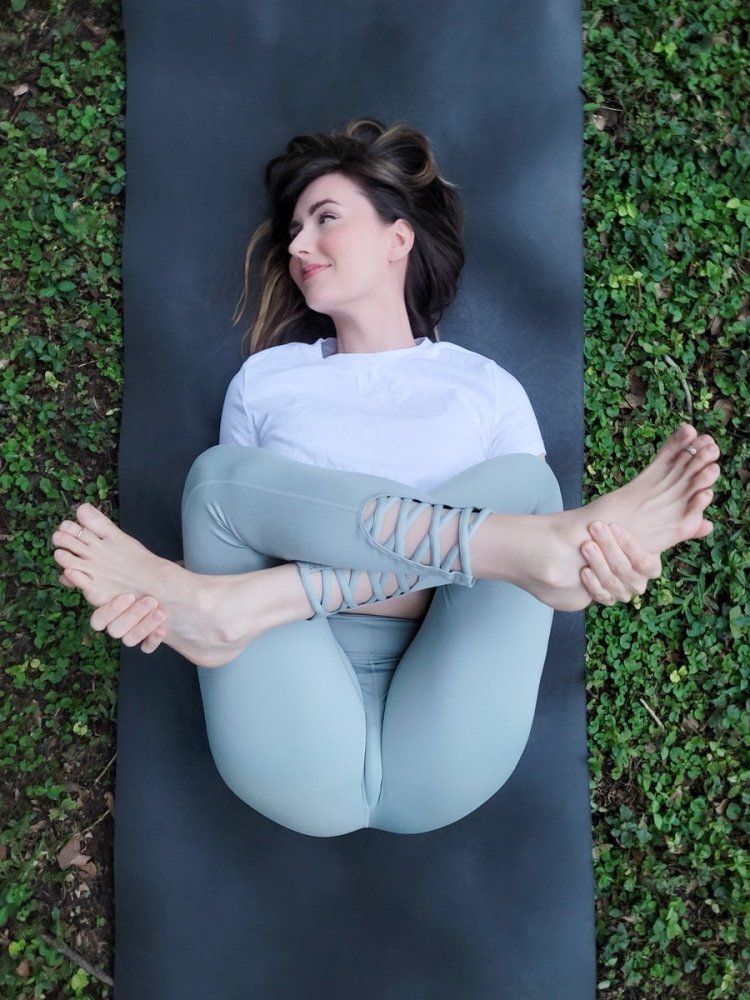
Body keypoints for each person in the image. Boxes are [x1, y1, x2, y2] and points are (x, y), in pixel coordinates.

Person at [52, 119, 720, 837]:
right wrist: (538, 559)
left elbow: (243, 586)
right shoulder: (266, 382)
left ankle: (249, 609)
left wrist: (239, 596)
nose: (298, 245)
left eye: (325, 219)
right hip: (287, 726)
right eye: (294, 230)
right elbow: (232, 537)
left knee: (524, 491)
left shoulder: (485, 388)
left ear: (398, 237)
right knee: (219, 482)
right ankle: (539, 549)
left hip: (453, 741)